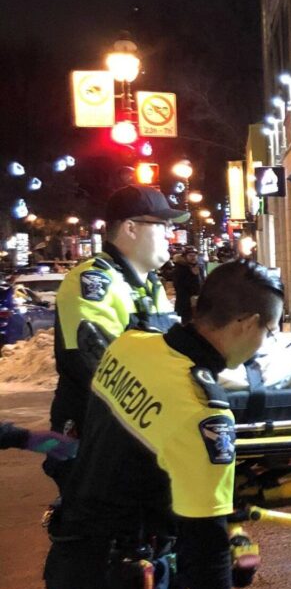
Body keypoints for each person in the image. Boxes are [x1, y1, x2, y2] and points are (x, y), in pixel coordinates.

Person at [44, 260, 285, 589]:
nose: (265, 342)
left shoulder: (132, 346)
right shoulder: (204, 414)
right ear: (246, 323)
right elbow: (205, 543)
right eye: (269, 331)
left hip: (72, 564)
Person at [48, 184, 187, 489]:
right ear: (131, 228)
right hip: (96, 440)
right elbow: (103, 367)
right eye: (162, 225)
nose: (170, 234)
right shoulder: (92, 282)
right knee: (104, 531)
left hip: (140, 433)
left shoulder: (148, 285)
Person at [0, 422, 78, 460]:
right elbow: (61, 456)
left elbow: (51, 435)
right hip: (28, 443)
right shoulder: (70, 450)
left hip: (28, 440)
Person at [171, 246, 204, 323]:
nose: (193, 258)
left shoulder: (199, 267)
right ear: (185, 257)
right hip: (186, 302)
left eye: (194, 255)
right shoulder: (180, 269)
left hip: (198, 301)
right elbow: (178, 285)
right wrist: (193, 276)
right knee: (187, 323)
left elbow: (202, 281)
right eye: (190, 256)